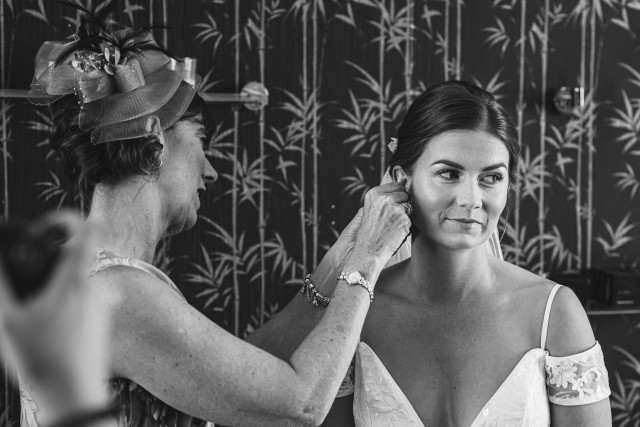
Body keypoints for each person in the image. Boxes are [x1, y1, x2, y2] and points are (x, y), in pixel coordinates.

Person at [18, 3, 411, 427]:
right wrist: (367, 259)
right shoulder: (121, 296)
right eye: (201, 139)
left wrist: (341, 257)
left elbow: (238, 379)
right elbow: (300, 406)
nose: (211, 170)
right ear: (156, 141)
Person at [248, 81, 612, 426]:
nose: (472, 199)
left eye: (491, 177)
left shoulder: (555, 314)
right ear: (401, 181)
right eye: (449, 173)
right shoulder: (354, 313)